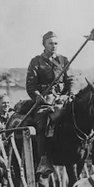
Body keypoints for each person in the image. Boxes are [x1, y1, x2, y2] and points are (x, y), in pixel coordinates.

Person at [25, 31, 74, 179]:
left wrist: (69, 93)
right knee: (42, 120)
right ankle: (44, 159)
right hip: (45, 100)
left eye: (56, 43)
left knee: (80, 114)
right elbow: (30, 86)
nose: (54, 46)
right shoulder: (36, 62)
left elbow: (70, 79)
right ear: (44, 45)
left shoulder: (63, 60)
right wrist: (40, 98)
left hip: (63, 98)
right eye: (50, 43)